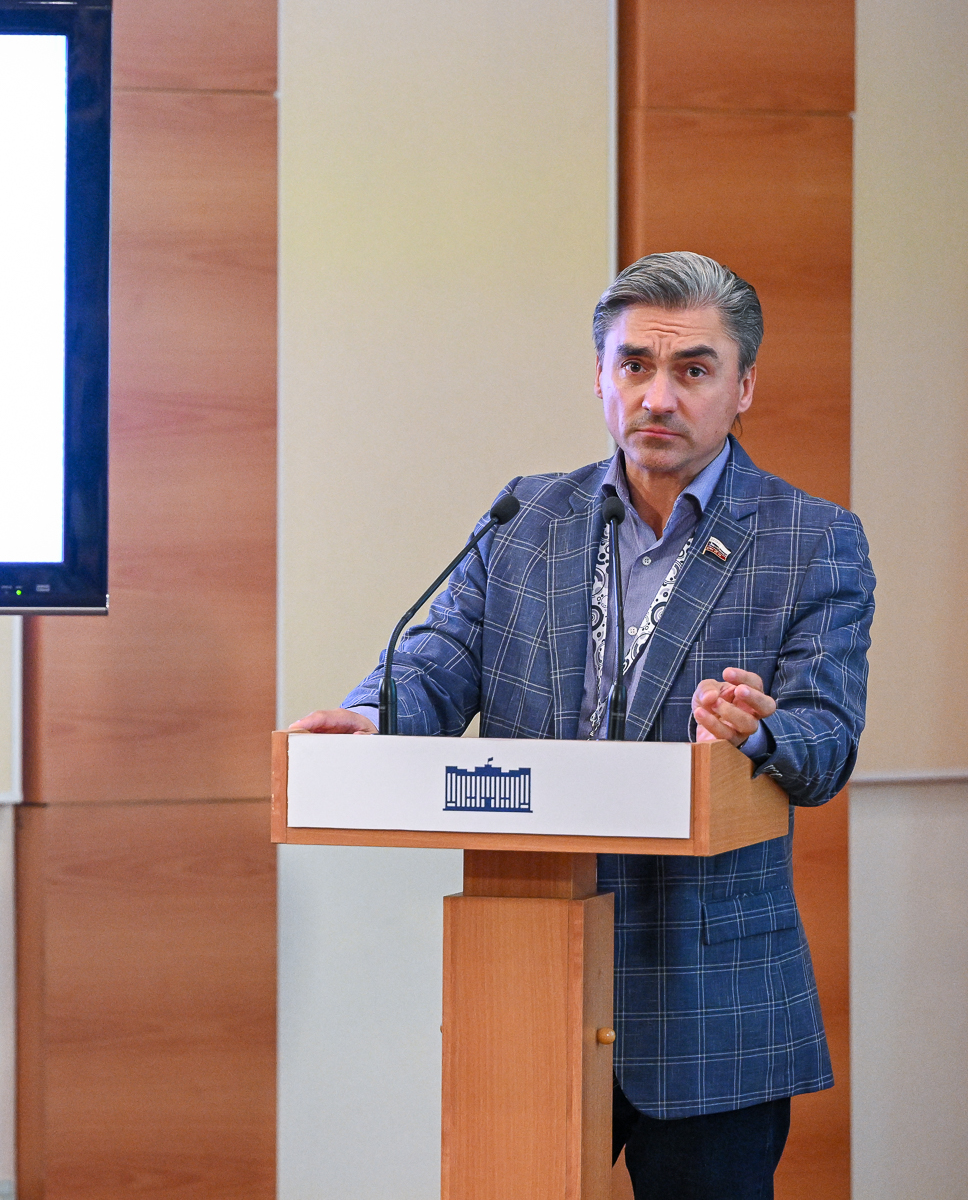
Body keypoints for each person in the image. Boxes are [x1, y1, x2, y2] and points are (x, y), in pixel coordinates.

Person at [290, 251, 874, 1199]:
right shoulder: (524, 518)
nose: (657, 395)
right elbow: (437, 657)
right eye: (634, 364)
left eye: (692, 369)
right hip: (532, 976)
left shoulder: (812, 539)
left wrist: (762, 734)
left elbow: (827, 739)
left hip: (711, 1000)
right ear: (600, 376)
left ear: (743, 388)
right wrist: (371, 716)